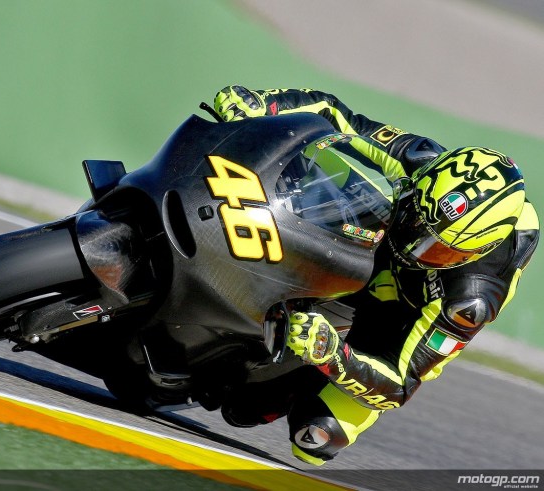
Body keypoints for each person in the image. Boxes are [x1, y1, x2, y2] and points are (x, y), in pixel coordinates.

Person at [212, 86, 540, 465]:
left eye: (437, 250)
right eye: (416, 221)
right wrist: (264, 103)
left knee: (311, 436)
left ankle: (298, 375)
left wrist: (332, 355)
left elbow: (399, 384)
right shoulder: (420, 160)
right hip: (373, 244)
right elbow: (333, 115)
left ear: (472, 253)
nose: (414, 246)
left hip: (400, 321)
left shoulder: (470, 300)